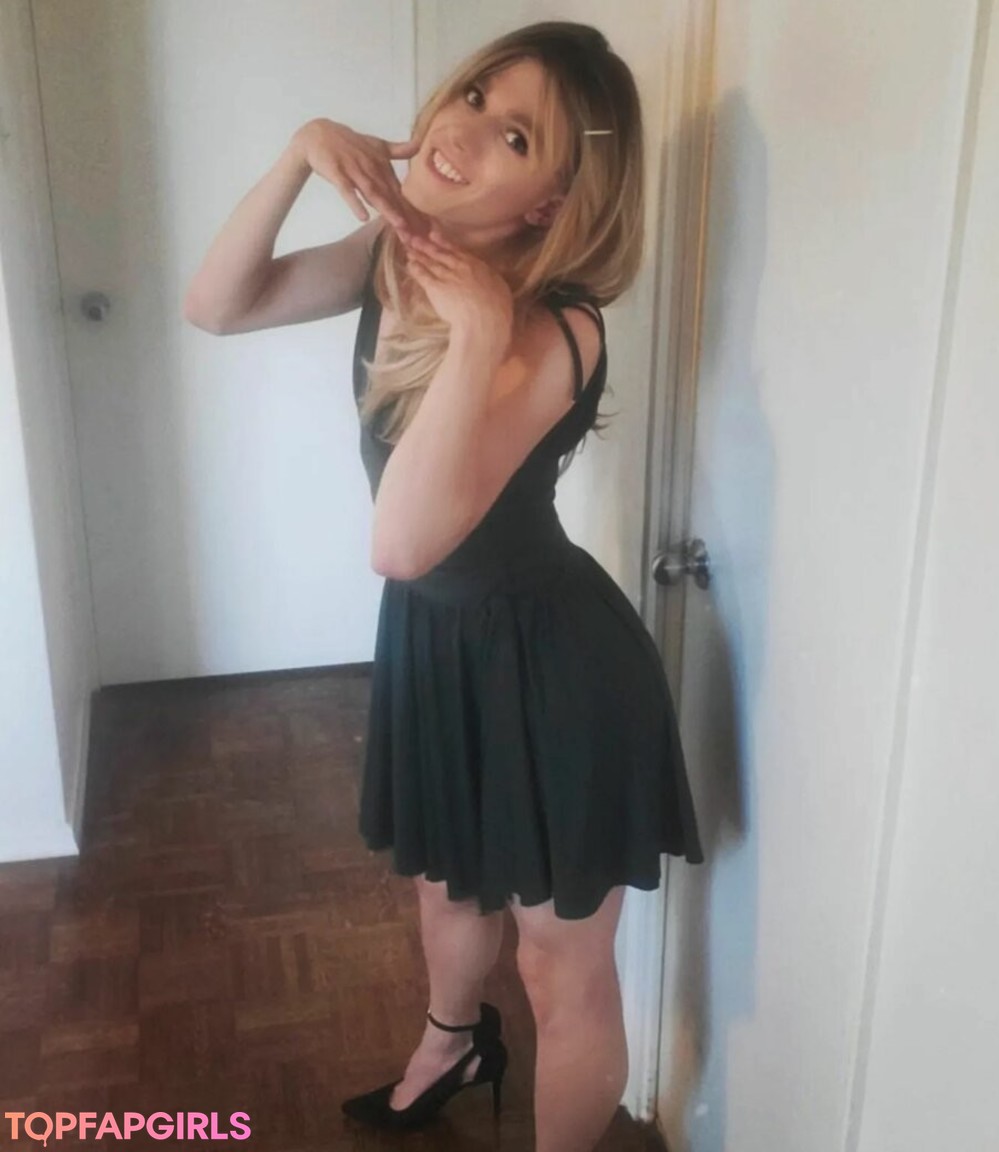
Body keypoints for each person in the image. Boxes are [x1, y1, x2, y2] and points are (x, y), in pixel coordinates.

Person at [184, 21, 703, 1152]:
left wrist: (474, 340)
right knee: (445, 886)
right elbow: (218, 304)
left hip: (553, 669)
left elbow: (402, 542)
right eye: (474, 96)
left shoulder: (558, 325)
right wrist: (300, 152)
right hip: (437, 640)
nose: (461, 134)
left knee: (559, 965)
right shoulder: (392, 252)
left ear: (551, 201)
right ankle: (452, 1046)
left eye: (514, 136)